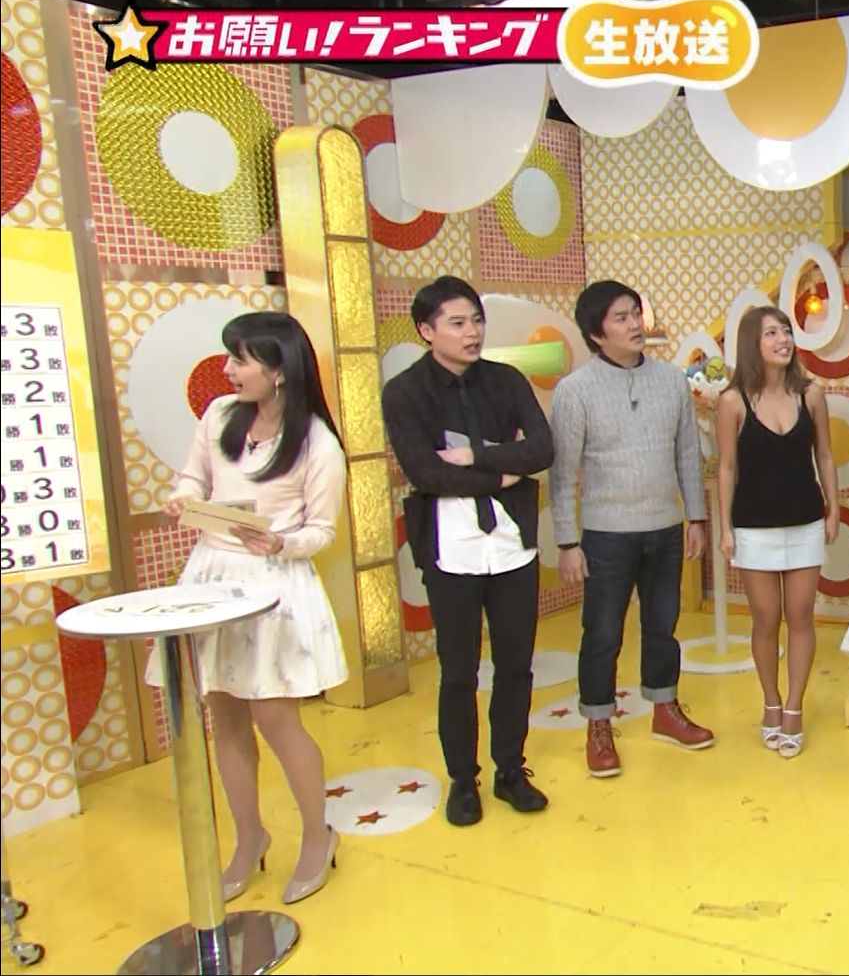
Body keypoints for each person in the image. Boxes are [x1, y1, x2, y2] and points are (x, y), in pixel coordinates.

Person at [155, 311, 349, 905]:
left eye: (239, 359)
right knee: (225, 714)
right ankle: (249, 837)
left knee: (276, 718)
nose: (228, 369)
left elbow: (322, 530)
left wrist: (280, 543)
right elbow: (194, 479)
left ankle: (317, 836)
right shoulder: (219, 415)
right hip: (211, 577)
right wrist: (183, 499)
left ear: (279, 370)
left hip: (274, 585)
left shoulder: (317, 443)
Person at [381, 276, 554, 827]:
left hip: (511, 544)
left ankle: (511, 769)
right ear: (426, 330)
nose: (471, 332)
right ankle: (463, 778)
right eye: (457, 323)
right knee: (458, 669)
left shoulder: (506, 380)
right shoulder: (405, 392)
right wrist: (502, 473)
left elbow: (542, 450)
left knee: (516, 665)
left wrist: (475, 455)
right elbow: (425, 472)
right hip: (449, 548)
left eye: (476, 320)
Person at [552, 280, 713, 780]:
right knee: (602, 632)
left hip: (665, 527)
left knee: (663, 626)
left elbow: (688, 453)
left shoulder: (670, 380)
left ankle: (665, 709)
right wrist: (567, 542)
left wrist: (696, 517)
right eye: (620, 318)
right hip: (605, 534)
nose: (634, 325)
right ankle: (599, 724)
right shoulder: (575, 390)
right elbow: (562, 472)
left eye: (634, 314)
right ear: (596, 333)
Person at [714, 307, 839, 759]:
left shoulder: (811, 394)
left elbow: (825, 455)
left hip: (805, 521)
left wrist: (833, 509)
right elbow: (726, 467)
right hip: (753, 526)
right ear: (753, 343)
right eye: (771, 333)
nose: (783, 339)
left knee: (801, 616)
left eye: (785, 331)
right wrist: (725, 527)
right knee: (766, 619)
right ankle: (770, 701)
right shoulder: (732, 401)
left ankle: (794, 708)